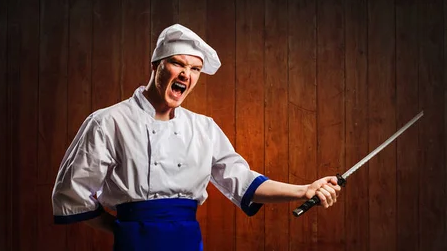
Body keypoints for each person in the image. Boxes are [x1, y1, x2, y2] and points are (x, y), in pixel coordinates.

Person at [51, 24, 341, 251]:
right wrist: (123, 230)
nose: (186, 75)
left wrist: (304, 190)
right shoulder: (108, 122)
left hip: (187, 241)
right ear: (156, 65)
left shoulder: (204, 128)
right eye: (178, 64)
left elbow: (243, 181)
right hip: (134, 242)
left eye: (195, 69)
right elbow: (73, 195)